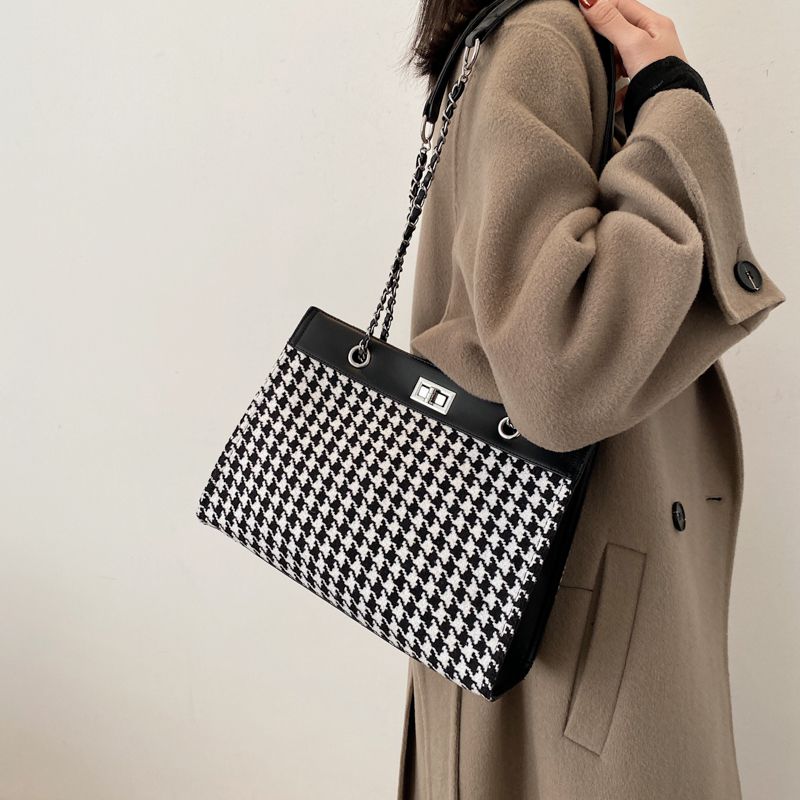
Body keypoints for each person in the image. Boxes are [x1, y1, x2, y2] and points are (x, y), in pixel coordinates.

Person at [396, 0, 785, 798]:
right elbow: (559, 367)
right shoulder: (541, 38)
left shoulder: (504, 37)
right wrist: (672, 102)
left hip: (521, 590)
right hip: (575, 641)